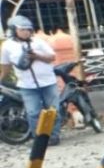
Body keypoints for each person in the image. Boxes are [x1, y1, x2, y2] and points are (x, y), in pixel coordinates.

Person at [1, 15, 64, 145]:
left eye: (28, 29)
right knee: (33, 112)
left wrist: (37, 56)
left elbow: (51, 57)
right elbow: (5, 66)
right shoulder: (7, 46)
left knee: (53, 110)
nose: (26, 32)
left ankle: (54, 136)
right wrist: (1, 78)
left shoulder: (38, 42)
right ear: (14, 30)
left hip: (48, 82)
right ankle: (39, 138)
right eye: (22, 29)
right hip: (27, 85)